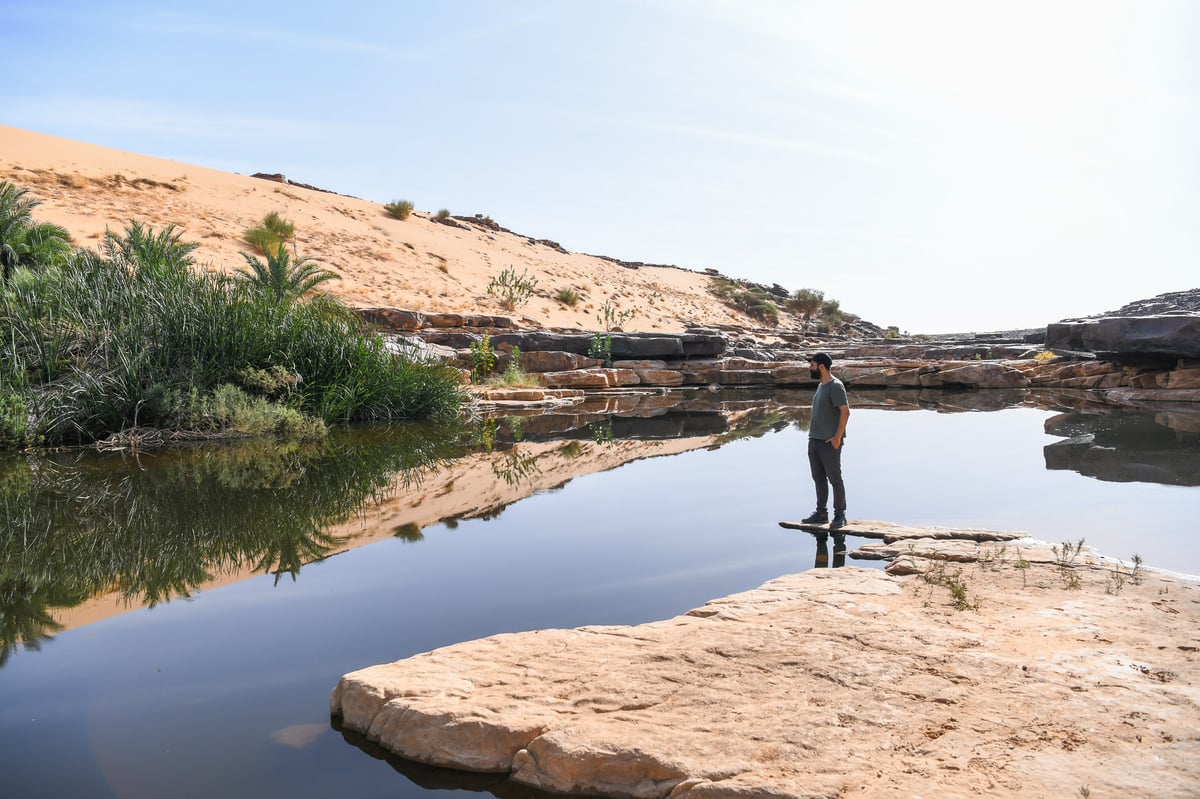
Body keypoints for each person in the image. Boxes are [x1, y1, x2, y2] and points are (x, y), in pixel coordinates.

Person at [802, 352, 850, 550]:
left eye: (812, 365)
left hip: (829, 442)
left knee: (835, 479)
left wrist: (838, 437)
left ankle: (840, 515)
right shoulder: (820, 386)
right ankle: (821, 513)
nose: (810, 368)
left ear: (821, 366)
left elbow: (845, 412)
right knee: (818, 479)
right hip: (814, 440)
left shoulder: (835, 386)